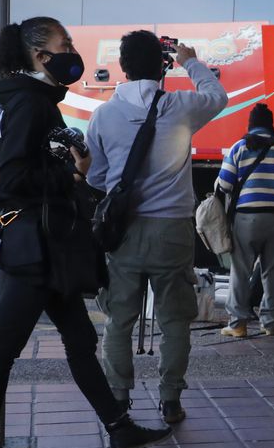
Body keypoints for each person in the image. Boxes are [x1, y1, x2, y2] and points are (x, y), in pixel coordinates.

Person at [0, 17, 172, 448]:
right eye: (65, 44)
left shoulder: (32, 99)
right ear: (40, 55)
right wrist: (73, 172)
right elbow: (11, 180)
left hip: (51, 246)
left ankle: (119, 428)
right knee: (3, 350)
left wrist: (71, 166)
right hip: (39, 247)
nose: (73, 51)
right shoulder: (29, 104)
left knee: (80, 340)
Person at [86, 30, 227, 425]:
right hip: (172, 231)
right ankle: (170, 400)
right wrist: (191, 60)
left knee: (119, 318)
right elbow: (218, 96)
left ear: (124, 67)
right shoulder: (181, 106)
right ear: (162, 65)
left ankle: (118, 397)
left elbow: (96, 178)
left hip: (124, 231)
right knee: (175, 319)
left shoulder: (104, 114)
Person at [213, 103, 274, 336]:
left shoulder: (239, 147)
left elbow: (224, 184)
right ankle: (270, 323)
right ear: (271, 125)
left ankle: (238, 325)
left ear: (250, 125)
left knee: (241, 271)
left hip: (247, 219)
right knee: (273, 272)